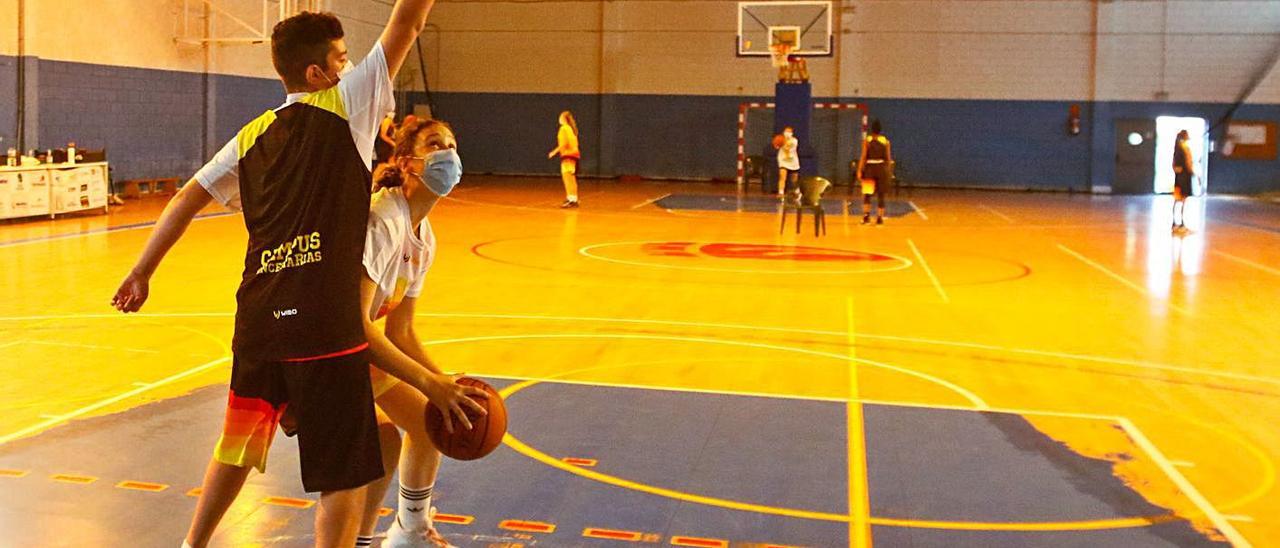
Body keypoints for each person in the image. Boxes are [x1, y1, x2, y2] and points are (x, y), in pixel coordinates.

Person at [110, 5, 486, 547]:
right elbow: (407, 24)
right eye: (341, 57)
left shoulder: (253, 133)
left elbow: (187, 198)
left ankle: (192, 545)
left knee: (237, 445)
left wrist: (141, 271)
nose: (349, 64)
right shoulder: (345, 104)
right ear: (320, 74)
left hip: (260, 315)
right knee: (344, 476)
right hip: (323, 322)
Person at [855, 120, 893, 225]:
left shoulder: (867, 140)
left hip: (870, 169)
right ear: (880, 130)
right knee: (881, 195)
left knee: (867, 193)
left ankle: (866, 217)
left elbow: (863, 156)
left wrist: (859, 170)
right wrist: (889, 171)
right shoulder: (886, 141)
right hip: (882, 169)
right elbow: (888, 158)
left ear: (872, 130)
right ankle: (879, 218)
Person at [547, 111, 580, 208]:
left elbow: (563, 144)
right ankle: (574, 198)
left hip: (567, 155)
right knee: (572, 178)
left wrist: (554, 152)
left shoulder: (563, 128)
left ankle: (571, 199)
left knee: (567, 178)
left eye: (560, 117)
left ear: (563, 119)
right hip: (574, 155)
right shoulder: (571, 129)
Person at [1172, 129, 1195, 232]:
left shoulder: (1177, 149)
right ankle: (1180, 224)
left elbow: (1174, 165)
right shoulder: (1184, 148)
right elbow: (1188, 163)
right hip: (1184, 177)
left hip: (1179, 177)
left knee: (1177, 200)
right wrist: (1192, 172)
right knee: (1182, 200)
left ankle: (1175, 223)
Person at [776, 126, 799, 198]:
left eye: (789, 132)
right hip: (783, 160)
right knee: (782, 176)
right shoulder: (780, 139)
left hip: (793, 161)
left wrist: (783, 141)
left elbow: (788, 145)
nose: (787, 133)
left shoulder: (795, 140)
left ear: (792, 133)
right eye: (786, 131)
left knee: (794, 179)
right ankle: (781, 192)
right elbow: (776, 146)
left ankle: (796, 191)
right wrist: (777, 142)